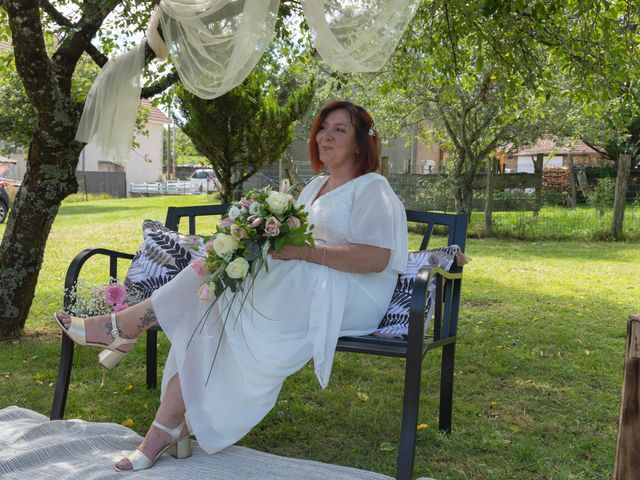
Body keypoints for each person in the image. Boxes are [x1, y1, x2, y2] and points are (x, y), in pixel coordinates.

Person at [54, 100, 408, 472]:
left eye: (339, 129)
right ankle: (163, 428)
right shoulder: (316, 186)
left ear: (359, 143)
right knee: (212, 304)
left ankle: (123, 328)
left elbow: (376, 258)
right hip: (306, 282)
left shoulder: (373, 188)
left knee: (222, 284)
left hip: (349, 294)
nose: (326, 136)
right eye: (323, 127)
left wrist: (305, 252)